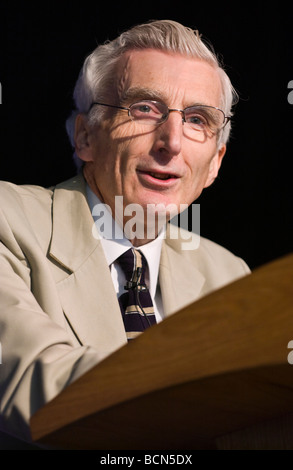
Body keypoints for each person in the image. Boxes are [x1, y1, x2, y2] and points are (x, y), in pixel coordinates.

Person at [0, 19, 250, 447]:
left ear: (214, 163)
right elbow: (29, 380)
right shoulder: (7, 219)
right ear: (85, 137)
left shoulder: (231, 276)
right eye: (145, 108)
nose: (170, 142)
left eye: (196, 119)